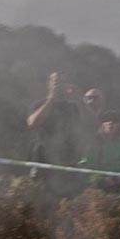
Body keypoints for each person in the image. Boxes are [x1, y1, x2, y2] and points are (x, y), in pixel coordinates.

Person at [26, 71, 87, 200]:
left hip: (68, 161)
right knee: (43, 202)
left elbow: (87, 125)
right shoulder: (39, 105)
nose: (59, 86)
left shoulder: (73, 107)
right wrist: (51, 100)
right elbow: (32, 123)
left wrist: (79, 100)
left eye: (62, 83)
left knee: (70, 204)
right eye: (56, 82)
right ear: (48, 84)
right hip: (45, 160)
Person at [79, 110, 120, 195]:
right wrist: (101, 180)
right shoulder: (93, 144)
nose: (110, 123)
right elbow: (83, 168)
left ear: (119, 125)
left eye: (114, 121)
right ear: (101, 125)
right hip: (96, 193)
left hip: (118, 193)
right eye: (106, 120)